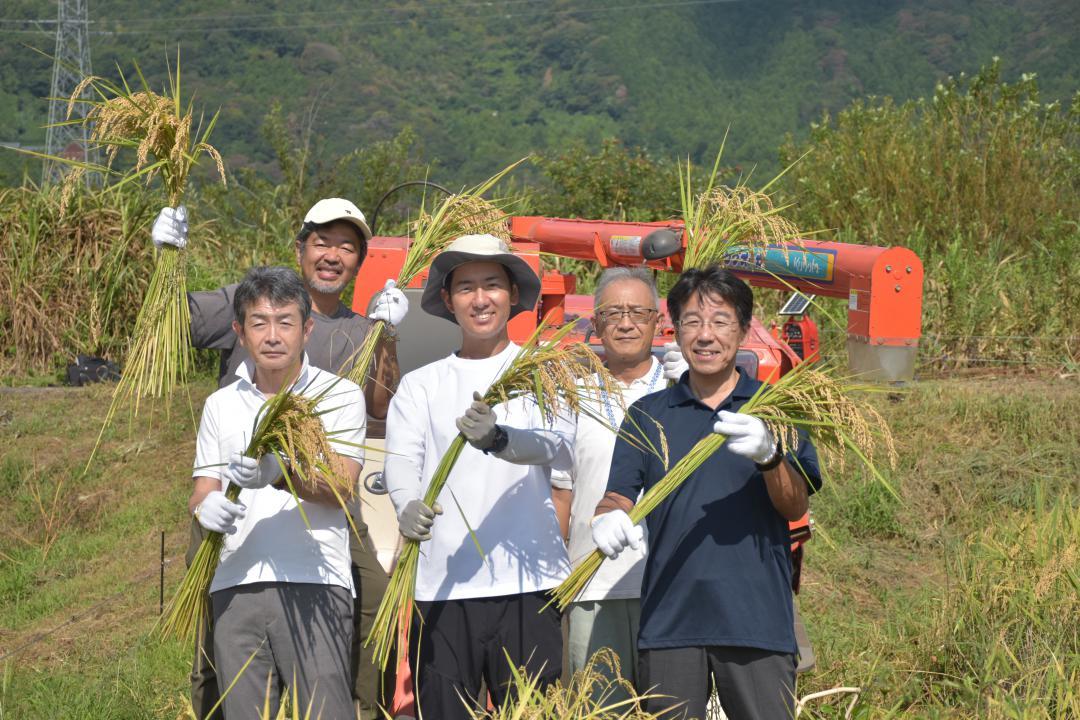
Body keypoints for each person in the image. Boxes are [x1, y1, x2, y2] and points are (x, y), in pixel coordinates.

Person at [153, 200, 404, 720]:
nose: (273, 334)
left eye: (348, 246)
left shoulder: (360, 334)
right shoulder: (246, 303)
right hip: (237, 533)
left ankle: (367, 707)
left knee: (376, 601)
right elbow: (171, 327)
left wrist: (390, 334)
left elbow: (376, 414)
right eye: (322, 242)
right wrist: (165, 261)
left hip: (322, 521)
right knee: (214, 651)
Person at [591, 265, 822, 720]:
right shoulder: (648, 414)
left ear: (742, 331)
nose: (706, 335)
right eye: (693, 322)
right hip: (671, 623)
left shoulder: (774, 409)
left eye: (720, 322)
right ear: (675, 331)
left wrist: (770, 455)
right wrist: (606, 518)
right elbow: (618, 494)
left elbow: (796, 504)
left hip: (755, 620)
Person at [384, 234, 573, 720]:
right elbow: (401, 459)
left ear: (512, 294)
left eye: (492, 284)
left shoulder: (540, 372)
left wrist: (499, 439)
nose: (480, 298)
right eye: (466, 288)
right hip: (443, 584)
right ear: (447, 301)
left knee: (535, 712)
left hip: (528, 583)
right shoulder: (421, 384)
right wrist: (406, 502)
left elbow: (557, 445)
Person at [188, 266, 366, 718]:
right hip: (234, 584)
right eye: (259, 322)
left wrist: (281, 473)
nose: (272, 335)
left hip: (316, 581)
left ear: (307, 329)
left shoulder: (340, 396)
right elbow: (202, 487)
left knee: (326, 711)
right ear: (239, 332)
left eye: (285, 321)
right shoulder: (221, 404)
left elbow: (343, 484)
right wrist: (204, 507)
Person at [552, 267, 685, 699]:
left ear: (658, 321)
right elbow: (562, 493)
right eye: (613, 313)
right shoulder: (572, 396)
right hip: (593, 586)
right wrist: (558, 580)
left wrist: (693, 388)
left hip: (671, 587)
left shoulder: (679, 390)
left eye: (637, 312)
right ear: (594, 325)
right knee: (598, 707)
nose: (625, 323)